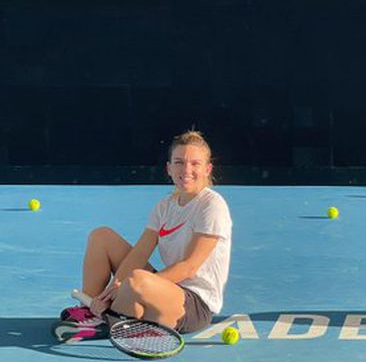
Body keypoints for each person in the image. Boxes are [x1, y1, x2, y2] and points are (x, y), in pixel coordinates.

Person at [53, 130, 232, 343]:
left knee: (136, 280)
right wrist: (112, 288)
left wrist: (126, 286)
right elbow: (139, 252)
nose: (186, 169)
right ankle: (93, 309)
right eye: (179, 162)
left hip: (193, 305)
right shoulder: (164, 206)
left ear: (207, 169)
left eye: (195, 163)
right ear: (169, 168)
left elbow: (189, 267)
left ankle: (105, 323)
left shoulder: (211, 205)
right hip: (165, 287)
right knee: (101, 237)